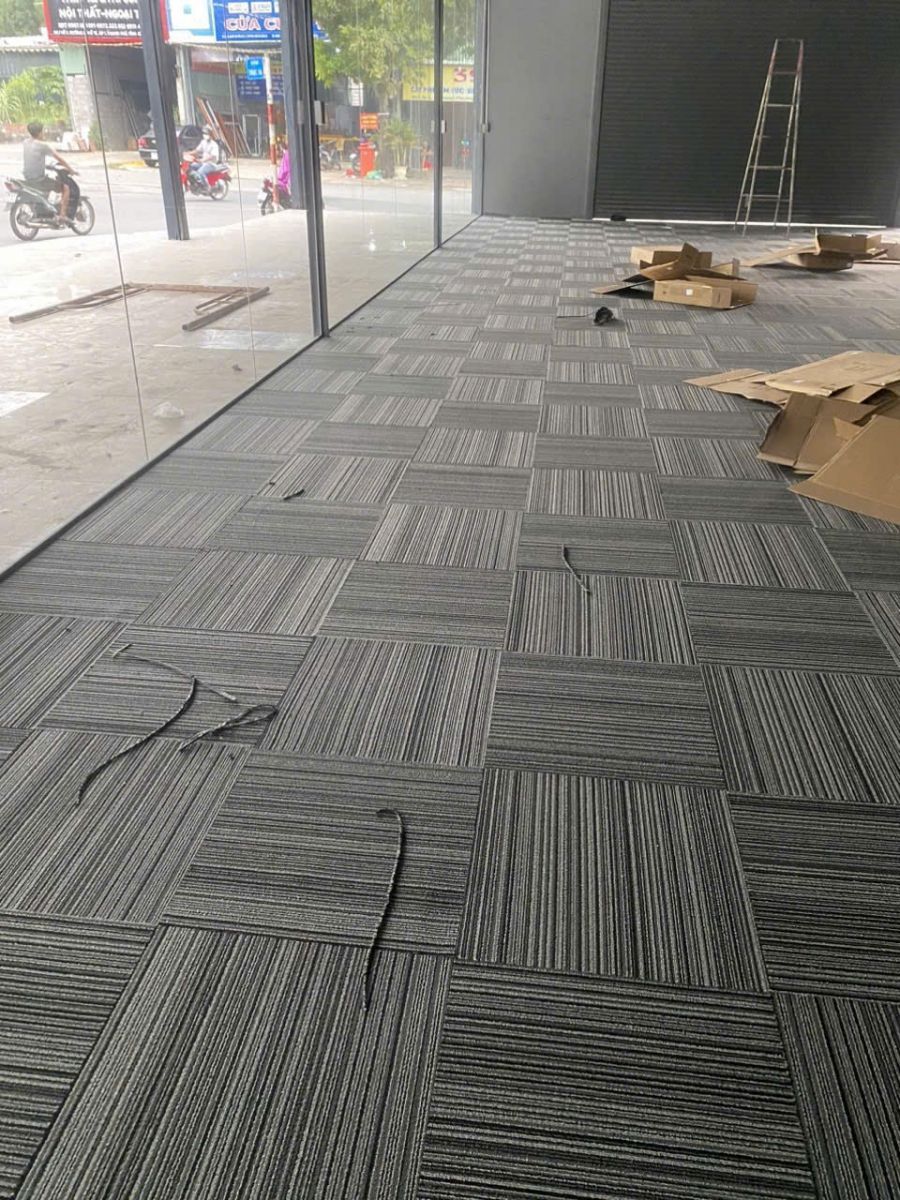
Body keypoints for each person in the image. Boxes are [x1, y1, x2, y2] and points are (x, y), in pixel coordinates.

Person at [23, 121, 79, 225]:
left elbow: (34, 158)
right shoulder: (42, 145)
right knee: (65, 188)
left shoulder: (25, 142)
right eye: (43, 131)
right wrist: (71, 170)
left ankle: (47, 211)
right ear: (39, 133)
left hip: (28, 177)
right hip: (39, 179)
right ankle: (62, 216)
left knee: (48, 184)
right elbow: (59, 158)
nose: (44, 133)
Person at [189, 126, 221, 192]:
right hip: (203, 163)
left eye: (206, 133)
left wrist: (203, 160)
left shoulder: (214, 144)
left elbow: (213, 156)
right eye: (204, 133)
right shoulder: (203, 142)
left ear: (210, 135)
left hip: (211, 164)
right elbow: (197, 150)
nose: (205, 135)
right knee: (191, 166)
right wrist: (188, 153)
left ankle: (206, 186)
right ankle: (197, 184)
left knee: (200, 172)